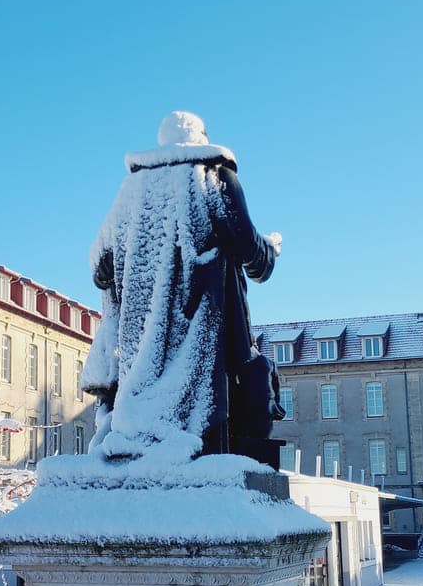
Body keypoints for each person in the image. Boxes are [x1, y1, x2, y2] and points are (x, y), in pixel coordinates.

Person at [81, 111, 282, 465]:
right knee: (202, 414)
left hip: (141, 344)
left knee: (143, 407)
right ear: (200, 138)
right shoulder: (211, 175)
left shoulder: (130, 191)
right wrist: (270, 249)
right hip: (203, 332)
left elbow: (100, 267)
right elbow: (248, 248)